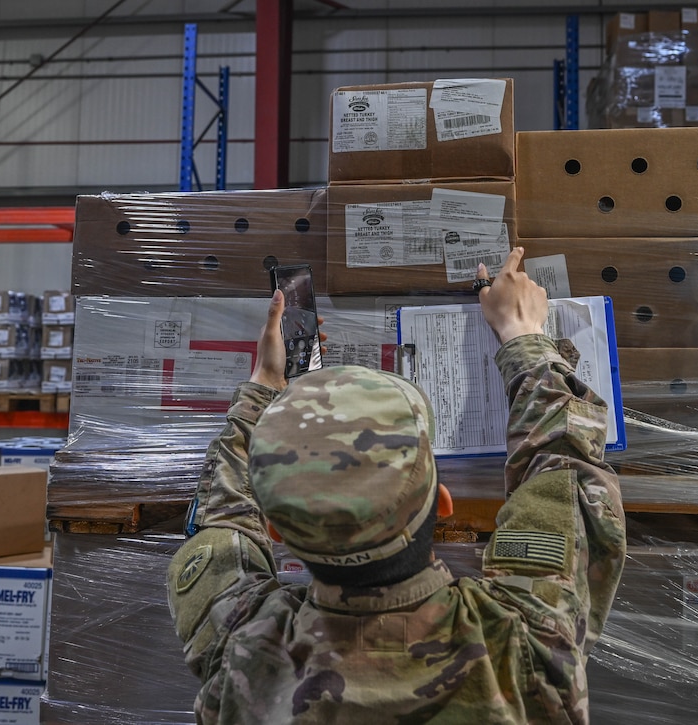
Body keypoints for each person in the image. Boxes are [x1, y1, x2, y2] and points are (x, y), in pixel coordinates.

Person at [166, 246, 626, 723]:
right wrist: (522, 334)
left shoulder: (243, 654)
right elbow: (566, 470)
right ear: (443, 503)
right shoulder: (524, 644)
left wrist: (264, 387)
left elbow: (221, 531)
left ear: (277, 534)